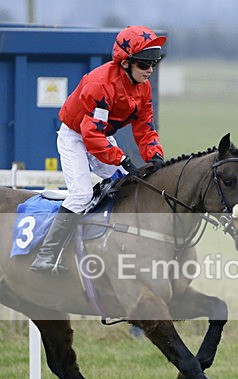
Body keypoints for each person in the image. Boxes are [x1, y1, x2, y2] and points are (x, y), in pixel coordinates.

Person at [31, 25, 167, 273]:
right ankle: (46, 254)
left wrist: (155, 155)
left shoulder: (143, 87)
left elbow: (145, 127)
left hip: (101, 135)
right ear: (125, 63)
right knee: (81, 195)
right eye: (144, 64)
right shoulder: (100, 84)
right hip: (75, 136)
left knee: (125, 186)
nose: (150, 70)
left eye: (153, 64)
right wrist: (122, 159)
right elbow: (90, 135)